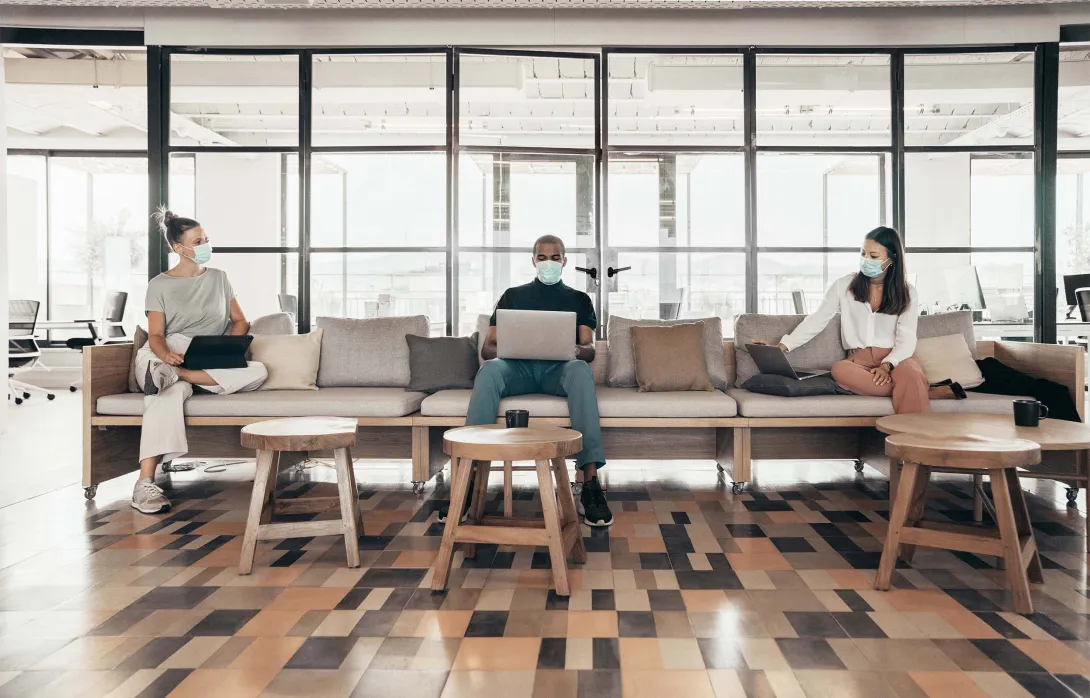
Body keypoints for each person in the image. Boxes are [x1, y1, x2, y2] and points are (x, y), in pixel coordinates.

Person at [438, 235, 613, 527]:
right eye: (542, 257)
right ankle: (466, 483)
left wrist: (574, 350)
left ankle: (590, 484)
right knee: (491, 369)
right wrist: (510, 348)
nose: (548, 263)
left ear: (565, 262)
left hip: (558, 372)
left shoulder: (579, 300)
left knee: (581, 370)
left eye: (555, 257)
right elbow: (487, 349)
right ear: (533, 261)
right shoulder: (512, 296)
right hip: (517, 369)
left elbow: (590, 349)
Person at [132, 209, 268, 514]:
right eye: (199, 240)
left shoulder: (220, 278)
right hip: (170, 350)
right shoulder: (160, 285)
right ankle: (144, 484)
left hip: (205, 356)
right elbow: (155, 335)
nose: (207, 244)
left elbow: (241, 321)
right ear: (180, 249)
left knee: (259, 371)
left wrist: (230, 348)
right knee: (164, 395)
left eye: (206, 238)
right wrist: (166, 355)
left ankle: (182, 376)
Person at [760, 226, 961, 413]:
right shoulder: (843, 285)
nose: (866, 259)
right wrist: (783, 347)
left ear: (892, 259)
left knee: (910, 375)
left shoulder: (908, 292)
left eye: (873, 256)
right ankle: (924, 391)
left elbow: (907, 339)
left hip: (897, 358)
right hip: (858, 361)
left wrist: (887, 365)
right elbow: (817, 320)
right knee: (839, 370)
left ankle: (915, 439)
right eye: (863, 254)